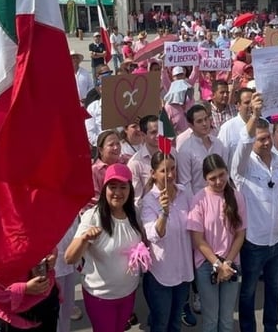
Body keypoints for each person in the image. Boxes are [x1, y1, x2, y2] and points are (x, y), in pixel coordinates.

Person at [65, 163, 147, 332]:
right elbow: (69, 258)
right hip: (100, 296)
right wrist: (84, 239)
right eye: (112, 187)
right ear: (104, 189)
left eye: (123, 187)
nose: (117, 192)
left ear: (130, 189)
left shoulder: (135, 214)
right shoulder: (92, 217)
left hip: (128, 292)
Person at [232, 92, 278, 332]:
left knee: (273, 288)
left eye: (268, 138)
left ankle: (271, 326)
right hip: (253, 241)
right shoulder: (243, 166)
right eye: (260, 139)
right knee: (249, 291)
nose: (266, 143)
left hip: (276, 240)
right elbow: (243, 142)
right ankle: (248, 329)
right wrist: (253, 115)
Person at [188, 153, 246, 332]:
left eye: (221, 175)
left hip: (231, 263)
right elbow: (198, 238)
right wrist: (217, 264)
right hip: (207, 265)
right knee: (211, 319)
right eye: (212, 178)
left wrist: (227, 263)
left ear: (227, 172)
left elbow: (240, 235)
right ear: (205, 178)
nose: (219, 181)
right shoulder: (199, 199)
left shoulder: (236, 197)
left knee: (227, 319)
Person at [141, 152, 194, 332]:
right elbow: (153, 234)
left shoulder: (184, 192)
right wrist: (164, 212)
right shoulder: (148, 201)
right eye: (164, 171)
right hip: (161, 274)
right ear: (153, 173)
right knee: (160, 323)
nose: (170, 174)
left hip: (183, 270)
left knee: (175, 322)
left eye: (173, 169)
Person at [177, 104, 227, 196]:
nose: (204, 124)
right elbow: (185, 184)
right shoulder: (185, 150)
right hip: (199, 200)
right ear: (191, 125)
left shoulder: (218, 144)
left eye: (206, 119)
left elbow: (225, 173)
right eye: (199, 121)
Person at [89, 130, 122, 208]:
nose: (116, 147)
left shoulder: (126, 162)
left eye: (118, 143)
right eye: (111, 145)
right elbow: (94, 199)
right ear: (100, 150)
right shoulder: (95, 170)